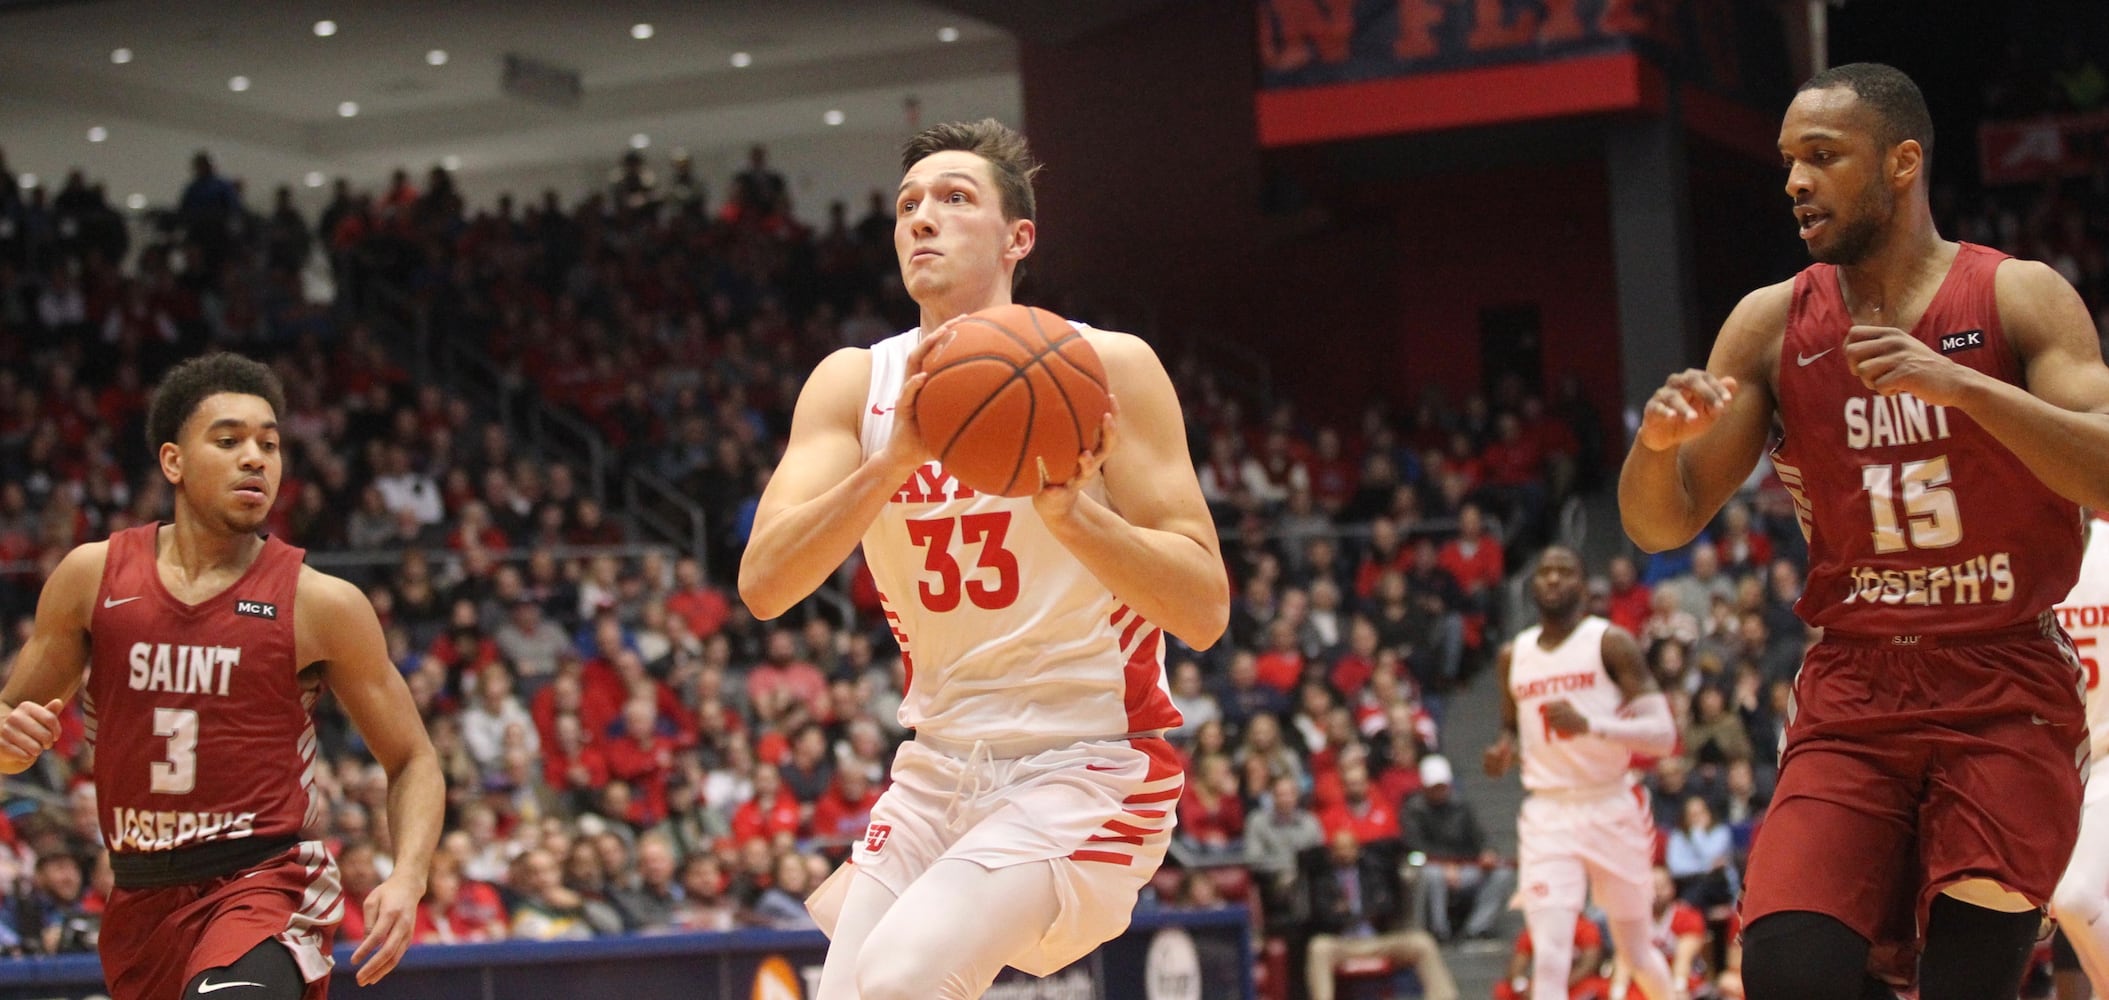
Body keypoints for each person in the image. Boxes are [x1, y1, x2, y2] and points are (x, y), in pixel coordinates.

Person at [1619, 62, 2109, 1000]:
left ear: (1900, 163)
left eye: (1821, 157)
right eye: (1787, 161)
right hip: (1855, 687)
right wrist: (1653, 447)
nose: (1794, 181)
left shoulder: (2018, 298)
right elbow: (1661, 524)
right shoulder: (1769, 324)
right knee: (1785, 967)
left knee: (1965, 981)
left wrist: (1963, 387)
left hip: (2003, 681)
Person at [737, 119, 1227, 1000]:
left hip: (1088, 760)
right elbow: (765, 586)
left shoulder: (1107, 367)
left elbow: (1203, 609)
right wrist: (889, 466)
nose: (922, 218)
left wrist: (1072, 514)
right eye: (907, 205)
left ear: (1018, 238)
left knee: (895, 982)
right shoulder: (854, 384)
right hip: (937, 761)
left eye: (955, 199)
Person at [0, 353, 443, 999]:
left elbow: (413, 758)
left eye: (269, 443)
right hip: (138, 895)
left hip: (261, 884)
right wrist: (11, 742)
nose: (256, 458)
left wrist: (408, 877)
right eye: (229, 440)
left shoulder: (322, 603)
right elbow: (8, 736)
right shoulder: (91, 577)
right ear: (173, 461)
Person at [1484, 546, 1679, 1000]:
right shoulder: (1513, 655)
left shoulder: (1610, 642)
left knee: (1635, 951)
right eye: (1544, 571)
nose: (1552, 579)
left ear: (1583, 583)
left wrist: (1591, 725)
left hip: (1610, 801)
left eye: (1564, 571)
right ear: (1532, 586)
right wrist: (1503, 750)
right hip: (1548, 812)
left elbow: (1663, 735)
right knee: (1551, 955)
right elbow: (1512, 726)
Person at [2052, 512, 2109, 1000]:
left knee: (2074, 898)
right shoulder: (2037, 549)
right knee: (2061, 905)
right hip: (2058, 767)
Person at [1299, 829, 1459, 1000]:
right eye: (1339, 849)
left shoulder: (1373, 874)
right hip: (1342, 943)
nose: (1344, 853)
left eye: (1348, 848)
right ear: (1332, 853)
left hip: (1375, 941)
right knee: (1318, 948)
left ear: (1358, 850)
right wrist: (1352, 914)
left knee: (1422, 942)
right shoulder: (1322, 880)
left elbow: (1387, 907)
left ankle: (1444, 996)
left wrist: (1353, 911)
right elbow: (1322, 916)